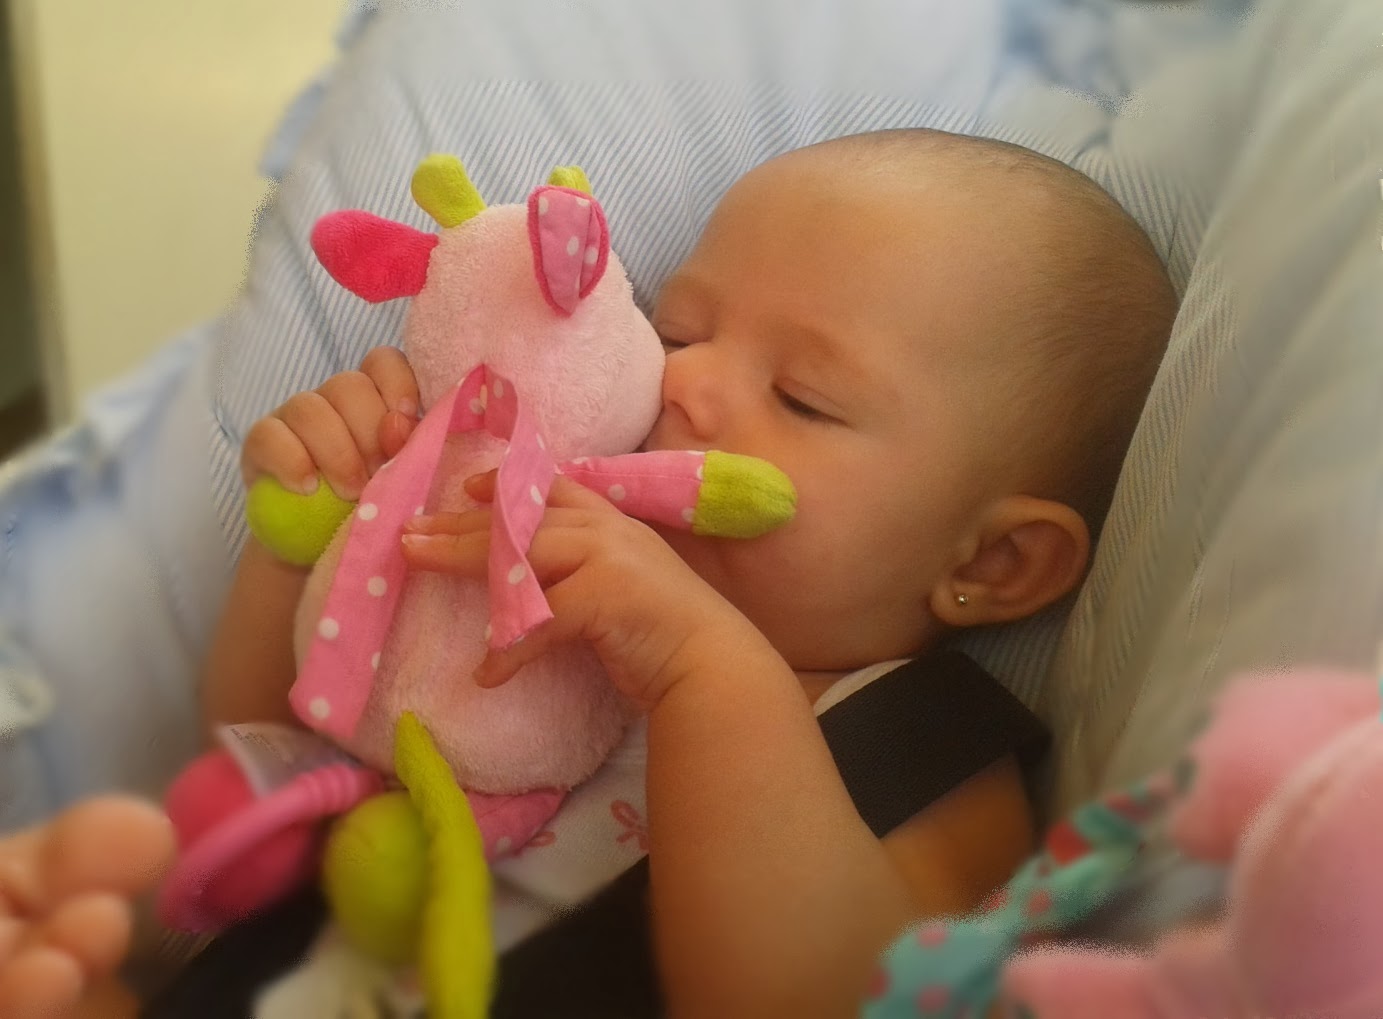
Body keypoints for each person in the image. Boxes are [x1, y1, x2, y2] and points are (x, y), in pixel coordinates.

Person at [0, 127, 1177, 1018]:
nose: (686, 384)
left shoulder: (925, 745)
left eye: (802, 396)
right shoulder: (529, 555)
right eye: (678, 333)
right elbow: (273, 739)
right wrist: (320, 532)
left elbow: (814, 998)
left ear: (993, 560)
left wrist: (706, 669)